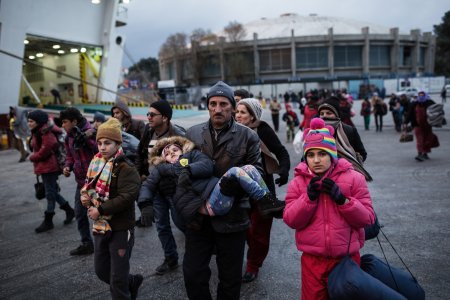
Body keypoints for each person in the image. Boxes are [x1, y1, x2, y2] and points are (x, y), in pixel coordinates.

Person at [183, 81, 264, 299]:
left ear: (232, 107)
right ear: (208, 106)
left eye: (223, 104)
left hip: (233, 217)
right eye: (213, 104)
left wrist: (235, 186)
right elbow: (180, 169)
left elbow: (257, 172)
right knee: (193, 275)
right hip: (198, 219)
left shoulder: (248, 136)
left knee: (230, 280)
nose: (218, 109)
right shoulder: (191, 134)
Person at [283, 118, 375, 300]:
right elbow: (290, 219)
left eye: (322, 154)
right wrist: (307, 199)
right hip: (312, 261)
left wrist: (343, 200)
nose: (316, 160)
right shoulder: (298, 182)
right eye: (311, 155)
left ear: (332, 154)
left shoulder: (355, 178)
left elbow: (367, 219)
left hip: (346, 260)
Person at [139, 136, 283, 224]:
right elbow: (148, 184)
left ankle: (268, 202)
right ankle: (264, 200)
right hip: (207, 205)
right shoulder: (162, 169)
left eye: (174, 149)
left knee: (250, 168)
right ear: (163, 159)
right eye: (167, 153)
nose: (171, 152)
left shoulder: (193, 155)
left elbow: (207, 165)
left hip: (216, 195)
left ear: (182, 150)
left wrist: (188, 169)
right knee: (235, 171)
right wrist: (145, 204)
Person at [80, 117, 143, 300]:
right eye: (99, 143)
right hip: (101, 226)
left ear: (118, 143)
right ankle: (131, 282)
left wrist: (100, 210)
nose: (102, 147)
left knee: (117, 277)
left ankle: (124, 288)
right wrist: (86, 198)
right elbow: (89, 186)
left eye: (107, 143)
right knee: (101, 270)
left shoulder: (126, 167)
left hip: (121, 227)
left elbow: (127, 196)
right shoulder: (96, 162)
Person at [235, 98, 291, 283]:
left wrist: (283, 171)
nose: (238, 115)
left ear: (253, 116)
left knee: (259, 232)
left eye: (243, 112)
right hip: (238, 190)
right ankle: (251, 256)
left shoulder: (263, 130)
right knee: (245, 231)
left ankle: (253, 265)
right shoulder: (231, 131)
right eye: (237, 112)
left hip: (263, 189)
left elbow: (282, 152)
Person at [135, 100, 186, 272]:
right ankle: (170, 258)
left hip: (174, 189)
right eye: (147, 114)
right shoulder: (148, 132)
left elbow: (188, 161)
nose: (148, 117)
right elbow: (140, 153)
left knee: (182, 223)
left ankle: (201, 251)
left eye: (152, 114)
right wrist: (141, 172)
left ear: (164, 117)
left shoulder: (178, 134)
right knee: (162, 225)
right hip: (155, 188)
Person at [27, 110, 75, 233]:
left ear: (38, 122)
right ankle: (69, 210)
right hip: (45, 167)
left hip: (50, 167)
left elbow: (47, 148)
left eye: (31, 121)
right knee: (52, 191)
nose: (29, 123)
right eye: (28, 121)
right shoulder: (38, 131)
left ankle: (49, 219)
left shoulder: (45, 132)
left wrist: (33, 157)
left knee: (50, 193)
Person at [60, 107, 98, 255]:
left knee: (102, 213)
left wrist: (86, 138)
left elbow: (99, 150)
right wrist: (67, 167)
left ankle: (110, 241)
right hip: (81, 182)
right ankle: (87, 243)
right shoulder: (68, 137)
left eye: (64, 122)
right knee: (80, 213)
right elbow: (69, 156)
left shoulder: (92, 131)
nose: (62, 125)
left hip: (97, 181)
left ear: (74, 121)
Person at [318, 97, 370, 181]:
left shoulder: (349, 130)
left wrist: (352, 162)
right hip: (322, 177)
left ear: (336, 114)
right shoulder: (315, 132)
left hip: (347, 176)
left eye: (329, 113)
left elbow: (362, 153)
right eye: (322, 113)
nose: (324, 116)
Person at [404, 90, 439, 161]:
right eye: (419, 95)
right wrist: (405, 122)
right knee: (419, 139)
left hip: (427, 125)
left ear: (425, 95)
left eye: (422, 95)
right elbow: (409, 113)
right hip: (417, 125)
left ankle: (425, 154)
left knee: (427, 139)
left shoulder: (430, 102)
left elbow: (437, 110)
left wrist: (439, 120)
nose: (421, 96)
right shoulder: (414, 104)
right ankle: (419, 154)